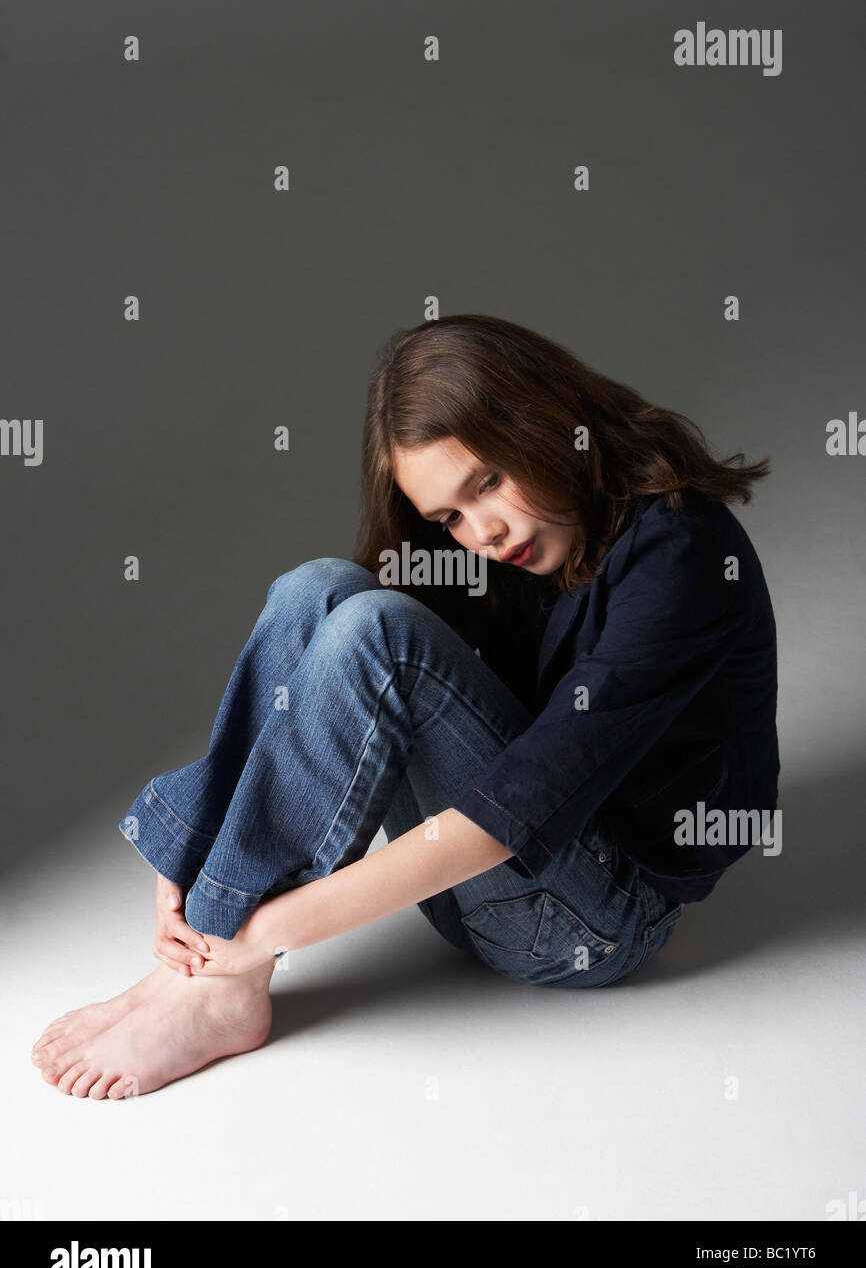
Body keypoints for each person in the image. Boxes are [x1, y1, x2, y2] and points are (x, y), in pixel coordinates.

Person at [31, 313, 780, 1100]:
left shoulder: (686, 555)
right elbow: (332, 684)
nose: (484, 532)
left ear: (552, 422)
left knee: (377, 630)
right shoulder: (525, 535)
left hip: (592, 924)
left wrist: (255, 937)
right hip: (469, 898)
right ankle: (200, 966)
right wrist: (191, 866)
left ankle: (216, 977)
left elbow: (515, 808)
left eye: (488, 482)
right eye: (450, 518)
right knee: (318, 590)